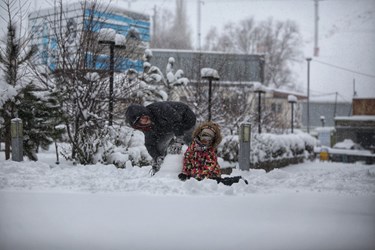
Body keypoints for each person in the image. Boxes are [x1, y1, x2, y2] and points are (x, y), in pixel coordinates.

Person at [125, 101, 196, 174]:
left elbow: (176, 120)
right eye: (140, 121)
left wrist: (179, 139)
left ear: (146, 113)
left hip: (185, 120)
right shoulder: (148, 128)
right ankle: (162, 169)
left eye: (144, 117)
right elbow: (150, 144)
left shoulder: (160, 109)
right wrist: (157, 157)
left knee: (190, 141)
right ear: (139, 124)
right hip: (167, 128)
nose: (144, 120)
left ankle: (197, 163)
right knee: (159, 146)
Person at [178, 121, 248, 186]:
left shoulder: (210, 151)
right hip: (196, 175)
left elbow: (209, 167)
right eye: (204, 136)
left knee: (221, 183)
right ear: (199, 135)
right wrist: (185, 173)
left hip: (211, 175)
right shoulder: (192, 148)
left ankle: (238, 180)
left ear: (212, 140)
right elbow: (187, 160)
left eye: (209, 138)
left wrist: (197, 176)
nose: (205, 140)